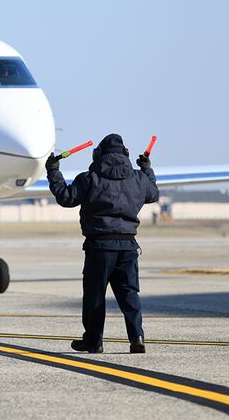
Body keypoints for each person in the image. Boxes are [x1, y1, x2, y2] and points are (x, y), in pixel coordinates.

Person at [45, 134, 159, 354]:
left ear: (98, 154)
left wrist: (53, 171)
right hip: (128, 247)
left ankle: (94, 341)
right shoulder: (138, 179)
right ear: (125, 155)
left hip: (99, 247)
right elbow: (153, 194)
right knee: (129, 295)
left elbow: (65, 197)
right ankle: (137, 337)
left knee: (95, 296)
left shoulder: (89, 179)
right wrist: (147, 169)